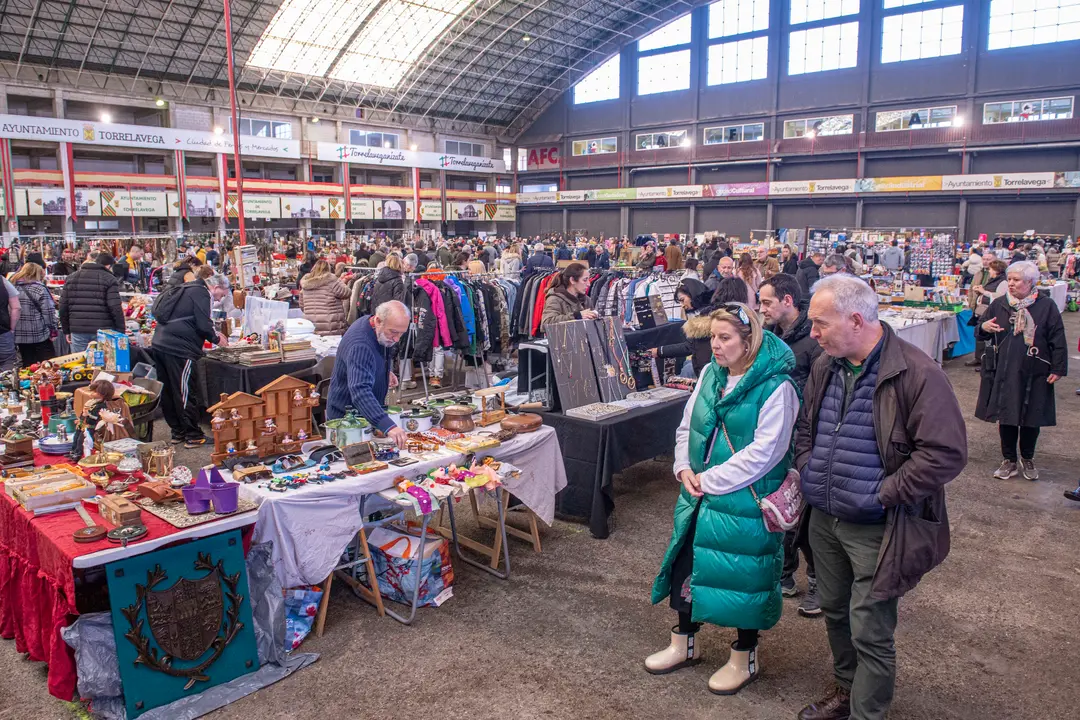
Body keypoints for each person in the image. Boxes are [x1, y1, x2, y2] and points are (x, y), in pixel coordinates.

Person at [794, 274, 967, 720]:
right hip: (825, 517)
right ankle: (847, 691)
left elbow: (945, 454)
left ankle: (867, 713)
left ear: (855, 319)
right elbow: (808, 427)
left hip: (878, 526)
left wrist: (883, 494)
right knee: (834, 610)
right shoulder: (825, 364)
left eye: (820, 323)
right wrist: (810, 467)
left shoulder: (916, 372)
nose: (812, 333)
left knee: (870, 628)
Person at [647, 304, 799, 695]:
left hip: (745, 500)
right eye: (713, 336)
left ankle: (744, 656)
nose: (714, 345)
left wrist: (708, 479)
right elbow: (688, 426)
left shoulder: (777, 387)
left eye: (725, 337)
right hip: (699, 493)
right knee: (688, 566)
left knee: (743, 576)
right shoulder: (709, 374)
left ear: (749, 341)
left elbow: (766, 453)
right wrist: (683, 468)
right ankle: (684, 642)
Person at [758, 273, 822, 617]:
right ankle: (785, 574)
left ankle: (818, 583)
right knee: (779, 507)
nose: (761, 308)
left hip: (807, 438)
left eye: (767, 302)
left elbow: (821, 394)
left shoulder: (814, 339)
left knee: (809, 516)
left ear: (787, 301)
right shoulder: (769, 336)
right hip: (776, 437)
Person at [975, 261, 1067, 481]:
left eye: (1016, 280)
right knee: (1006, 416)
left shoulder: (1046, 306)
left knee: (1030, 417)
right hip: (1005, 369)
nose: (1011, 284)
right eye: (1010, 279)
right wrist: (984, 327)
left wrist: (1058, 367)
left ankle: (1027, 457)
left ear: (1030, 282)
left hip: (1036, 369)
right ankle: (1009, 460)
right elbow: (980, 330)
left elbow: (1057, 337)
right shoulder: (999, 304)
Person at [151, 273, 229, 448]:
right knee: (184, 391)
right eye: (222, 294)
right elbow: (203, 323)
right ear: (216, 287)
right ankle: (193, 435)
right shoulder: (201, 293)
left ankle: (177, 432)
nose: (220, 298)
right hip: (179, 348)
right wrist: (216, 338)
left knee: (169, 390)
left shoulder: (185, 288)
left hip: (160, 343)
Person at [326, 300, 410, 449]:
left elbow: (372, 357)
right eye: (394, 332)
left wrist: (383, 371)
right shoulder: (361, 344)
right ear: (378, 321)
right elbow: (360, 391)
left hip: (362, 416)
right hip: (348, 420)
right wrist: (388, 425)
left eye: (401, 334)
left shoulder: (371, 324)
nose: (397, 339)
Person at [59, 253, 124, 353]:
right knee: (103, 363)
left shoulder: (71, 277)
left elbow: (63, 306)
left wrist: (66, 330)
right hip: (103, 330)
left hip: (78, 329)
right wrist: (120, 331)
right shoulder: (109, 279)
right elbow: (115, 308)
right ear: (108, 266)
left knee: (80, 363)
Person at [10, 262, 57, 365]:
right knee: (48, 364)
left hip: (20, 335)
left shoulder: (12, 288)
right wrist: (53, 330)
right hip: (39, 334)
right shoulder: (40, 288)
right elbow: (48, 312)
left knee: (28, 366)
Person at [966, 259, 1008, 368]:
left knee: (989, 339)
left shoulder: (1003, 282)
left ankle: (987, 362)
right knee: (980, 336)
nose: (989, 271)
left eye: (990, 269)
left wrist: (984, 292)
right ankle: (979, 358)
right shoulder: (993, 280)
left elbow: (1001, 297)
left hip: (991, 312)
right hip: (983, 311)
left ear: (996, 270)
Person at [540, 262, 597, 333]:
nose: (588, 284)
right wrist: (577, 316)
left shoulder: (586, 300)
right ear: (572, 280)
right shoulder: (555, 299)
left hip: (583, 342)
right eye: (585, 280)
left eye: (588, 279)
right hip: (561, 342)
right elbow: (546, 324)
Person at [300, 260, 351, 336]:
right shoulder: (332, 281)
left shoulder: (305, 284)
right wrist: (341, 281)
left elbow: (302, 306)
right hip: (331, 325)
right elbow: (347, 293)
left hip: (311, 325)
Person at [0, 275, 20, 372]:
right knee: (7, 366)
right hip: (3, 331)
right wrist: (12, 328)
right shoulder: (2, 280)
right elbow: (16, 308)